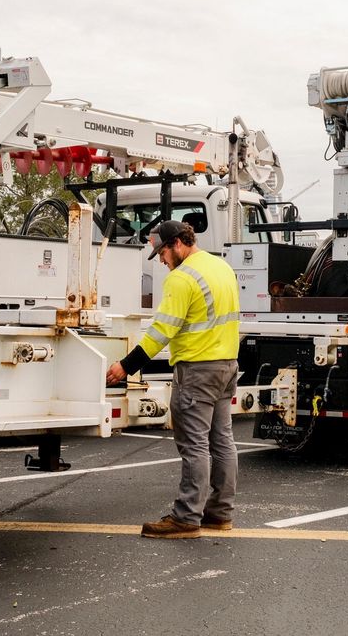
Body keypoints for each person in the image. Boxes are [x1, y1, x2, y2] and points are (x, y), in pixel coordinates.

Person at [106, 220, 241, 538]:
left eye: (163, 254)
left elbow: (161, 332)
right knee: (222, 441)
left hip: (197, 370)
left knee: (194, 445)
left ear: (177, 244)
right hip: (227, 365)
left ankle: (186, 518)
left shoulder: (182, 278)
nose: (162, 261)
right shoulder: (222, 268)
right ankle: (220, 513)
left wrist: (126, 366)